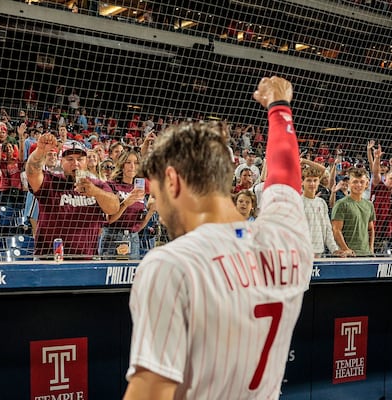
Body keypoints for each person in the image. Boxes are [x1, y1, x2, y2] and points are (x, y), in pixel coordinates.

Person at [124, 76, 313, 399]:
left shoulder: (171, 265)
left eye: (157, 195)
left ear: (172, 180)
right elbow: (285, 173)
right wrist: (279, 107)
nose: (160, 211)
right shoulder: (288, 237)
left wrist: (278, 106)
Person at [26, 138, 119, 259]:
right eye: (70, 159)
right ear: (61, 162)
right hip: (49, 259)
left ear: (86, 162)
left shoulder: (98, 185)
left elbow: (114, 208)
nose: (75, 163)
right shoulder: (50, 181)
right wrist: (40, 150)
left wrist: (96, 192)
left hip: (86, 260)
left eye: (80, 159)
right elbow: (32, 173)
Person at [100, 149, 156, 259]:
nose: (132, 166)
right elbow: (109, 219)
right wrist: (125, 204)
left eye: (136, 163)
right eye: (128, 162)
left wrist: (151, 210)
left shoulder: (139, 189)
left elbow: (138, 226)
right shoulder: (110, 186)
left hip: (133, 239)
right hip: (112, 238)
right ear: (122, 165)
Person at [301, 166, 346, 258]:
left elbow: (327, 229)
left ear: (318, 182)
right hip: (301, 252)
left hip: (319, 251)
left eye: (315, 180)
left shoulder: (321, 203)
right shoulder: (297, 202)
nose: (312, 184)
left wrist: (334, 249)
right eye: (309, 180)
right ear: (302, 182)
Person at [331, 167, 375, 257]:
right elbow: (336, 230)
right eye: (355, 182)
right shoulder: (341, 204)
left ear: (366, 184)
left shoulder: (369, 205)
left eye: (362, 182)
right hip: (348, 256)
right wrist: (346, 249)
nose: (359, 185)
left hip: (366, 254)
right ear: (349, 183)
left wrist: (371, 249)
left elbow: (371, 229)